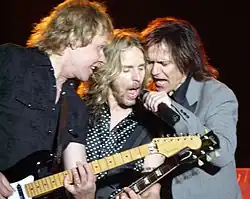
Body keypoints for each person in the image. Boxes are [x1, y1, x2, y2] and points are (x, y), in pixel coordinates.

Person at [0, 0, 113, 198]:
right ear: (76, 38)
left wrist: (85, 194)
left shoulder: (76, 107)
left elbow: (77, 171)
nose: (102, 59)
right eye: (100, 48)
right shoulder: (12, 60)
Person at [128, 16, 241, 199]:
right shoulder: (150, 96)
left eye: (164, 64)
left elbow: (222, 153)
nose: (155, 72)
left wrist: (174, 111)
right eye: (150, 63)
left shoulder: (218, 95)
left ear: (186, 60)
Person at [82, 29, 161, 199]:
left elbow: (152, 188)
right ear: (107, 72)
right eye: (127, 69)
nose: (137, 77)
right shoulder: (81, 111)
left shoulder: (152, 121)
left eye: (141, 68)